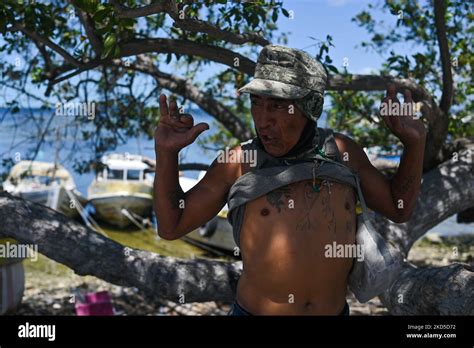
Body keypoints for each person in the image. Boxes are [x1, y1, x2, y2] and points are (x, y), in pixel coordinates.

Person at [153, 45, 426, 315]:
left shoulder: (342, 153)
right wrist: (167, 153)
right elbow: (171, 227)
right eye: (256, 103)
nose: (262, 120)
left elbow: (399, 208)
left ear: (312, 106)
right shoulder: (238, 162)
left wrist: (414, 145)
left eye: (278, 106)